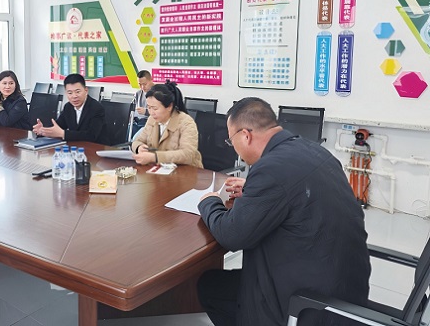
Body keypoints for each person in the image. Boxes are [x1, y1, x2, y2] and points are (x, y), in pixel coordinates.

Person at [197, 97, 370, 326]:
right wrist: (252, 188)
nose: (234, 148)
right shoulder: (315, 150)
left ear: (245, 135)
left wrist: (209, 202)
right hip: (345, 288)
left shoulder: (269, 169)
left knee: (209, 286)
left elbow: (232, 235)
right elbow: (297, 189)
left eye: (231, 141)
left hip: (307, 301)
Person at [131, 81, 203, 167]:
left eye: (155, 108)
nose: (151, 112)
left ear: (169, 106)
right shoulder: (152, 120)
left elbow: (188, 154)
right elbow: (137, 141)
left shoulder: (186, 122)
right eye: (149, 107)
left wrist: (155, 157)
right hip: (160, 170)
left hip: (186, 171)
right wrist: (139, 147)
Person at [32, 73, 109, 144]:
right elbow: (58, 126)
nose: (74, 96)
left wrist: (63, 134)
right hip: (76, 147)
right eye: (70, 93)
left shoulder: (96, 108)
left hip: (96, 148)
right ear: (66, 93)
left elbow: (91, 135)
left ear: (86, 91)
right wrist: (43, 130)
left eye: (78, 92)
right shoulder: (68, 107)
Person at [131, 70, 155, 136]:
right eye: (140, 84)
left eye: (145, 84)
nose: (142, 87)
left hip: (150, 122)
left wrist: (146, 111)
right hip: (137, 120)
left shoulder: (159, 92)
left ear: (151, 80)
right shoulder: (138, 93)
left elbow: (162, 112)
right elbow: (132, 107)